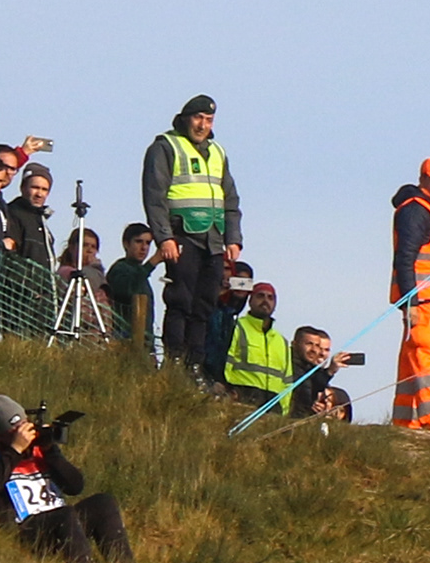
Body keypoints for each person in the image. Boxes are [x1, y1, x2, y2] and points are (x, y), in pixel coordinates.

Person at [0, 393, 135, 563]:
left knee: (103, 503)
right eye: (16, 431)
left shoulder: (39, 447)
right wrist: (14, 450)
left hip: (63, 519)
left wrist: (50, 450)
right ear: (2, 434)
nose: (24, 436)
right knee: (64, 515)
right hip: (24, 528)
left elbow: (75, 486)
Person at [142, 97, 239, 376]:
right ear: (185, 118)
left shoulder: (218, 152)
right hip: (182, 235)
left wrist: (233, 238)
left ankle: (194, 366)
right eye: (198, 118)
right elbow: (154, 196)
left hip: (214, 239)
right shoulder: (165, 147)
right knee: (181, 301)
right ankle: (174, 362)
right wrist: (164, 238)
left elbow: (230, 198)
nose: (203, 125)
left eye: (208, 120)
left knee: (205, 306)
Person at [390, 155, 430, 434]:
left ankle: (406, 420)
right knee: (426, 356)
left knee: (411, 359)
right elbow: (405, 258)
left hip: (428, 301)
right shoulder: (418, 210)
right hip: (422, 300)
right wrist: (411, 302)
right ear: (423, 179)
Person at [222, 278, 296, 409]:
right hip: (243, 396)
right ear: (250, 301)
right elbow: (226, 363)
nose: (265, 301)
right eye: (260, 296)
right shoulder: (236, 327)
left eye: (270, 298)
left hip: (273, 404)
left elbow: (287, 381)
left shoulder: (282, 341)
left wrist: (283, 409)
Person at [101, 223, 157, 349]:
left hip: (144, 343)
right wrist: (152, 263)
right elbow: (129, 289)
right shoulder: (120, 269)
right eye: (139, 242)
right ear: (126, 244)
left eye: (148, 243)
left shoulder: (141, 273)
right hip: (124, 340)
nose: (144, 248)